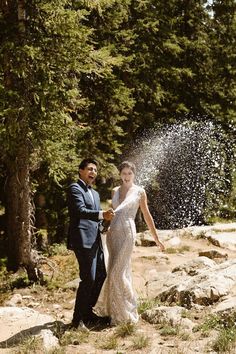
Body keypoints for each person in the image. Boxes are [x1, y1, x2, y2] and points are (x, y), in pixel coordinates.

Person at [94, 160, 165, 325]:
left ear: (134, 175)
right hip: (113, 235)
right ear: (120, 174)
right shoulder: (115, 191)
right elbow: (112, 215)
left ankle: (128, 308)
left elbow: (147, 215)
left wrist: (156, 238)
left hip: (127, 233)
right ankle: (116, 313)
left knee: (116, 274)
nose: (126, 176)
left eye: (129, 173)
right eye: (124, 173)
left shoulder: (140, 192)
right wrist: (105, 228)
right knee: (116, 272)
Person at [67, 158, 115, 329]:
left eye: (95, 170)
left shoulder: (95, 194)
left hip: (95, 240)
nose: (93, 172)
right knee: (88, 278)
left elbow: (96, 219)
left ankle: (87, 313)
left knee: (101, 275)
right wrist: (102, 214)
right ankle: (77, 320)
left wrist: (105, 224)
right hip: (82, 240)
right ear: (81, 171)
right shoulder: (74, 188)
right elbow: (79, 211)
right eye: (89, 169)